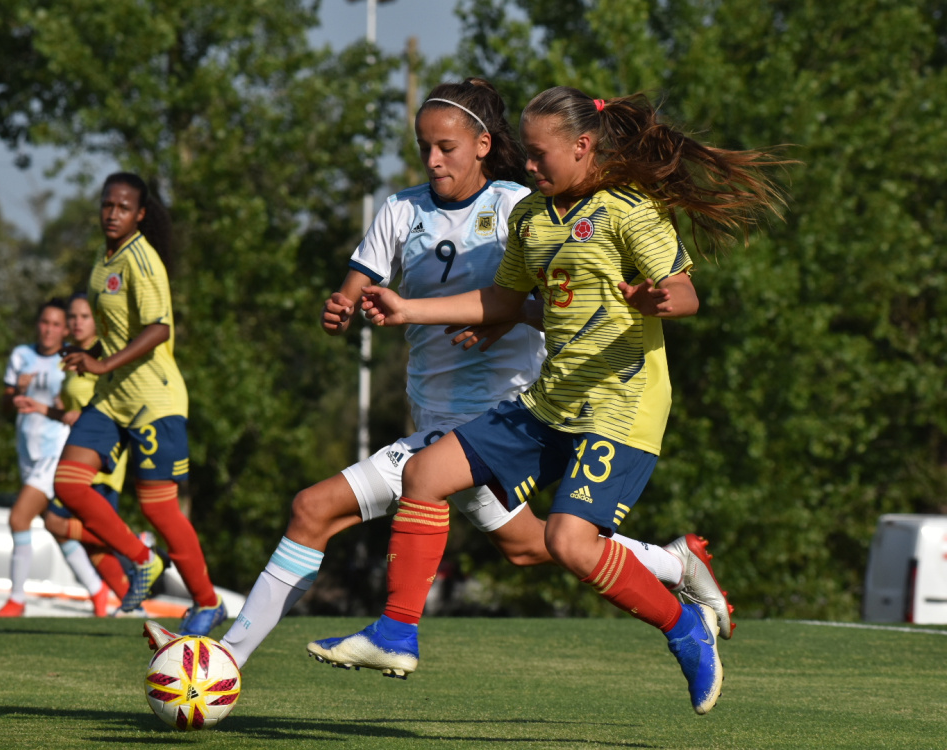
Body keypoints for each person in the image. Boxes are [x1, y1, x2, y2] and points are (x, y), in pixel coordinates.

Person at [142, 79, 731, 670]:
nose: (432, 159)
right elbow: (450, 292)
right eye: (424, 146)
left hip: (500, 408)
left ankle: (235, 656)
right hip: (454, 410)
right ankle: (675, 563)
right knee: (535, 545)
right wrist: (363, 306)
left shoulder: (514, 205)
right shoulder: (408, 208)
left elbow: (551, 302)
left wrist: (619, 303)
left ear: (482, 144)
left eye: (445, 146)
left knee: (314, 508)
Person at [308, 87, 789, 715]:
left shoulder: (628, 210)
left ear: (583, 147)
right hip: (551, 398)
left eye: (538, 155)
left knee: (566, 542)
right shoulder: (530, 217)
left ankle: (683, 627)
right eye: (526, 156)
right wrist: (407, 309)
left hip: (622, 401)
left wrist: (660, 300)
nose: (527, 166)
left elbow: (683, 292)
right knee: (425, 475)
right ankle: (395, 633)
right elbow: (503, 304)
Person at [52, 172, 224, 635]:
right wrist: (91, 355)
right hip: (112, 399)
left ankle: (208, 602)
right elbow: (116, 330)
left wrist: (103, 366)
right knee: (68, 485)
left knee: (159, 510)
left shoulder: (142, 260)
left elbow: (158, 330)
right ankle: (141, 559)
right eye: (107, 205)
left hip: (153, 401)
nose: (113, 213)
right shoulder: (104, 256)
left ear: (140, 214)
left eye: (123, 207)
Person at [42, 293, 133, 610]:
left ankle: (136, 545)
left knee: (54, 520)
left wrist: (85, 415)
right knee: (91, 546)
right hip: (77, 453)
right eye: (73, 317)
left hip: (99, 457)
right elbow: (70, 407)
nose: (76, 322)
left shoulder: (107, 356)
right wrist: (45, 408)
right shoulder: (71, 357)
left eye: (84, 316)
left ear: (98, 321)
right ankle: (132, 604)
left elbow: (115, 401)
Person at [0, 298, 79, 617]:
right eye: (45, 322)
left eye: (57, 324)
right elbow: (4, 406)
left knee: (18, 518)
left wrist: (60, 404)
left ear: (66, 329)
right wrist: (15, 391)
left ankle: (16, 599)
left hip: (55, 451)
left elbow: (75, 412)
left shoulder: (71, 359)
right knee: (54, 524)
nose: (49, 329)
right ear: (37, 324)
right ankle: (99, 593)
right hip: (27, 453)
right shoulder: (21, 355)